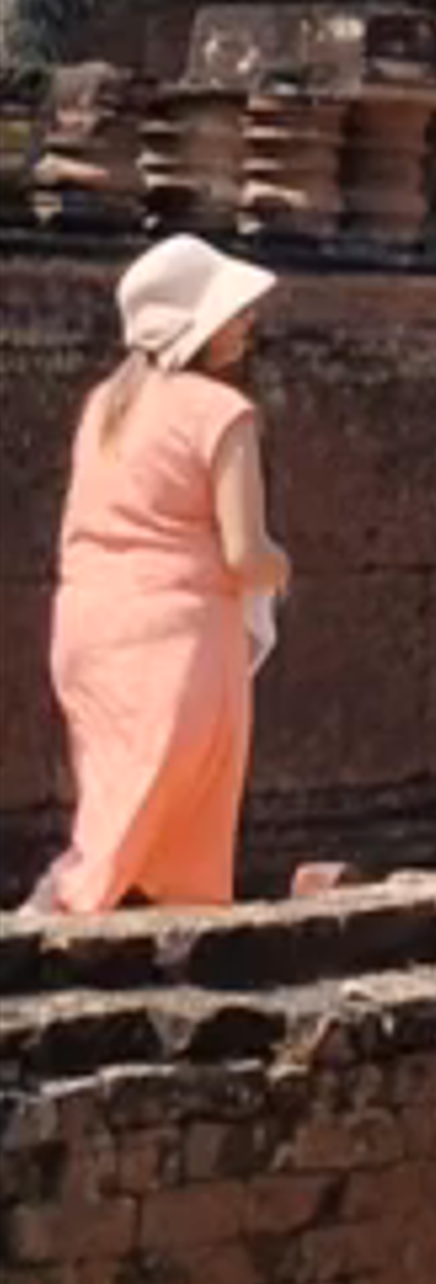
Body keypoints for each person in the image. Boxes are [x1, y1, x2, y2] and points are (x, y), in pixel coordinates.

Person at [37, 235, 286, 916]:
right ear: (198, 328)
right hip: (177, 641)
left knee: (120, 803)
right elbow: (245, 553)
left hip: (88, 631)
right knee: (152, 829)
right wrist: (280, 565)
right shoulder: (221, 413)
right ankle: (55, 919)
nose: (247, 322)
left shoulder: (105, 407)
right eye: (234, 311)